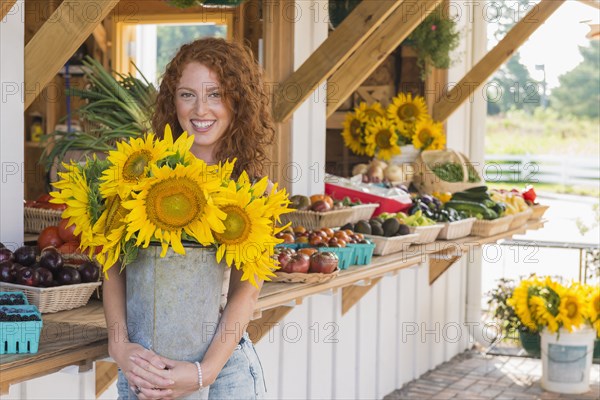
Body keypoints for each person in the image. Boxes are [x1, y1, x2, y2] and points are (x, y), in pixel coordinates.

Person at [104, 37, 276, 400]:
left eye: (215, 94)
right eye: (187, 94)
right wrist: (119, 348)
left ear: (237, 102)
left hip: (223, 371)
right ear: (172, 101)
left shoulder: (253, 191)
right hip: (145, 371)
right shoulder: (141, 175)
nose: (200, 109)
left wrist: (205, 372)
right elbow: (112, 266)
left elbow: (247, 291)